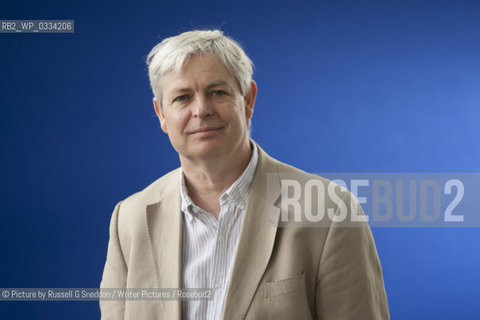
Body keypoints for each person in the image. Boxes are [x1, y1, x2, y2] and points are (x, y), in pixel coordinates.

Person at [100, 29, 390, 320]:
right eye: (182, 98)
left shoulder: (330, 211)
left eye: (217, 92)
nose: (201, 110)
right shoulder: (129, 219)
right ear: (161, 114)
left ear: (248, 99)